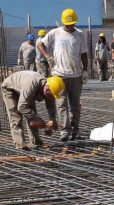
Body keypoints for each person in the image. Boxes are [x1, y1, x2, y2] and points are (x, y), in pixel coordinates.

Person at [37, 8, 89, 142]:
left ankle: (75, 129)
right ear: (63, 22)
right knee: (61, 104)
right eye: (68, 24)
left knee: (75, 104)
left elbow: (84, 54)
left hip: (76, 75)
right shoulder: (55, 33)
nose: (70, 26)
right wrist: (48, 57)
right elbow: (40, 44)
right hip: (59, 76)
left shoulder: (80, 35)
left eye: (72, 24)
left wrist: (85, 70)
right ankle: (65, 131)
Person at [1, 71, 63, 150]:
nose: (52, 97)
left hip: (25, 89)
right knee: (16, 117)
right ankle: (20, 146)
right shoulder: (32, 85)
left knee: (32, 116)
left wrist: (53, 119)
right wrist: (37, 119)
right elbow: (21, 107)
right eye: (51, 95)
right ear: (47, 89)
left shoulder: (51, 89)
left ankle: (36, 143)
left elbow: (50, 104)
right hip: (10, 88)